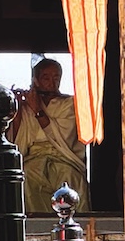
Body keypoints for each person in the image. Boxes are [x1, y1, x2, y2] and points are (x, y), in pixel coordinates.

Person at [9, 58, 91, 213]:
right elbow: (18, 140)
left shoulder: (69, 104)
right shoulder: (28, 105)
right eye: (46, 78)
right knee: (26, 177)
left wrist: (38, 110)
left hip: (63, 158)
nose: (52, 82)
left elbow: (65, 137)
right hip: (34, 158)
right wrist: (18, 109)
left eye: (56, 77)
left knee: (69, 176)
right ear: (36, 80)